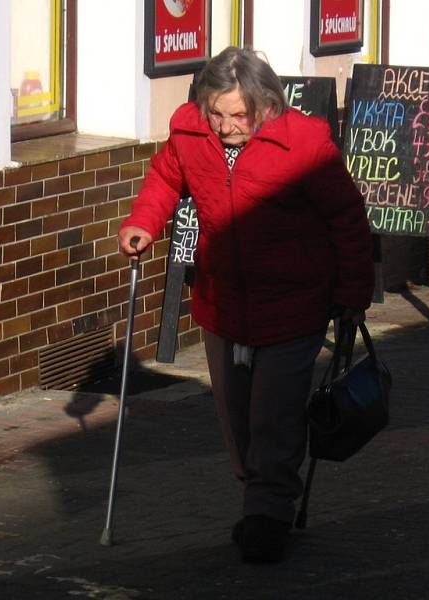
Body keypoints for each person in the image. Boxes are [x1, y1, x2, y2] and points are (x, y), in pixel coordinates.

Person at [117, 46, 374, 562]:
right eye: (218, 113)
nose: (229, 125)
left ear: (266, 104)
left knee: (274, 415)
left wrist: (351, 295)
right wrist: (144, 221)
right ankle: (256, 491)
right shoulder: (191, 132)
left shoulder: (304, 142)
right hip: (224, 300)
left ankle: (268, 513)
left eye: (240, 114)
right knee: (236, 416)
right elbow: (167, 177)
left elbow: (347, 220)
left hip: (293, 302)